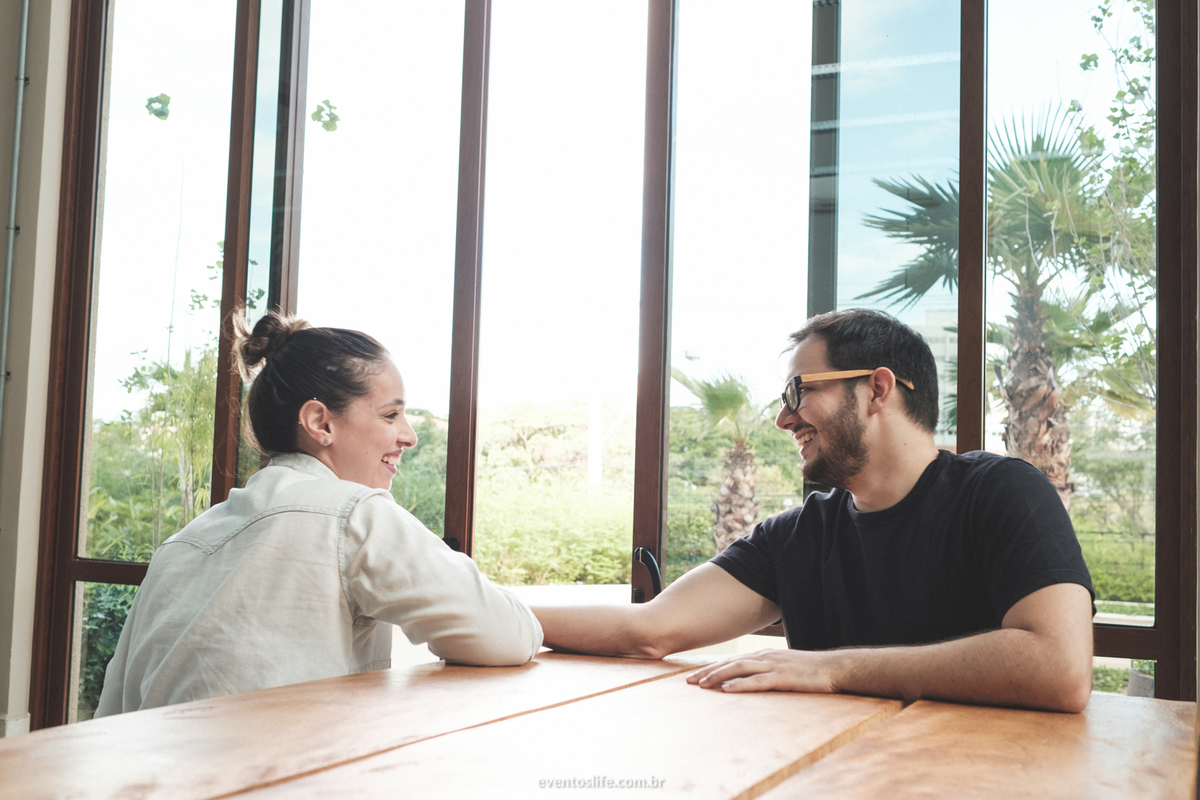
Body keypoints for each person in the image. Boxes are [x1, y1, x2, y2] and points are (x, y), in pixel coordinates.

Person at [532, 309, 1095, 713]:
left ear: (878, 390)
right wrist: (496, 610)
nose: (784, 419)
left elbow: (1060, 667)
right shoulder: (798, 535)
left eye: (798, 391)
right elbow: (649, 629)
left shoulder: (1002, 492)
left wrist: (833, 667)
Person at [96, 312, 542, 715]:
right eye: (391, 415)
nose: (409, 436)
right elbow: (508, 635)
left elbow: (114, 709)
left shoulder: (181, 544)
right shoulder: (355, 516)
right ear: (320, 423)